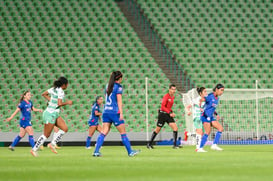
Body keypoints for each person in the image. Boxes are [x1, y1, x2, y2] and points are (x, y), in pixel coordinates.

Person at [93, 71, 140, 157]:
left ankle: (96, 151)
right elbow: (119, 101)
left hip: (106, 111)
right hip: (114, 112)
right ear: (119, 78)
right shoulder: (118, 87)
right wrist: (121, 113)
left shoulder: (107, 86)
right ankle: (130, 152)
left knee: (104, 132)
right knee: (123, 133)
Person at [31, 76, 73, 157]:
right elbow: (60, 104)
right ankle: (34, 149)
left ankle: (52, 144)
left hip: (55, 113)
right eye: (67, 84)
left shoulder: (53, 89)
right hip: (49, 114)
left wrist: (51, 100)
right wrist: (68, 102)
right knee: (46, 134)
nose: (67, 86)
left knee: (65, 128)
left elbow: (44, 94)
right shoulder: (60, 91)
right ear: (64, 85)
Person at [147, 84, 181, 149]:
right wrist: (169, 112)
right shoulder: (166, 96)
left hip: (168, 114)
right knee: (157, 130)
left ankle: (175, 145)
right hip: (162, 115)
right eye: (172, 89)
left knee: (175, 128)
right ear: (169, 89)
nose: (174, 91)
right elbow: (162, 106)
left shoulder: (173, 97)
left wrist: (172, 112)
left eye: (174, 89)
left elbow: (168, 107)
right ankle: (149, 144)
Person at [197, 83, 225, 152]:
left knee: (220, 128)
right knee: (207, 132)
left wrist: (216, 114)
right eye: (221, 90)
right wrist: (200, 107)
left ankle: (214, 145)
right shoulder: (210, 96)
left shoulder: (217, 98)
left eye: (223, 90)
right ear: (216, 89)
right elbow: (202, 99)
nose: (222, 92)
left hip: (211, 117)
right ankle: (200, 148)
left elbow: (212, 107)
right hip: (205, 116)